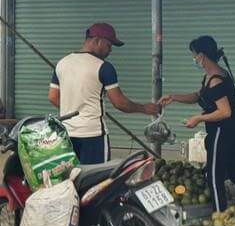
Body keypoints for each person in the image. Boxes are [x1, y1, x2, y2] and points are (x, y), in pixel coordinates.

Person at [159, 36, 235, 211]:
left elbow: (224, 111)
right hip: (232, 128)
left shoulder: (216, 80)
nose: (194, 59)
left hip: (224, 131)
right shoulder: (210, 77)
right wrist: (174, 97)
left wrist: (198, 118)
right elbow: (199, 96)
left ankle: (219, 215)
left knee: (214, 175)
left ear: (202, 56)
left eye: (195, 56)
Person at [48, 22, 158, 164]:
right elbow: (120, 103)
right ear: (97, 41)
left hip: (67, 134)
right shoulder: (103, 67)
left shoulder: (62, 63)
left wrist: (75, 108)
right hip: (93, 135)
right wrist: (145, 108)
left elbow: (53, 97)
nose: (110, 51)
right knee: (97, 179)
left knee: (71, 178)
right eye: (109, 45)